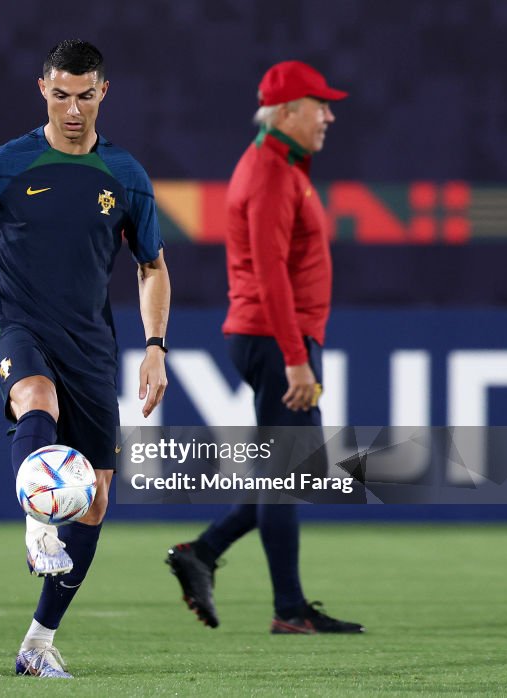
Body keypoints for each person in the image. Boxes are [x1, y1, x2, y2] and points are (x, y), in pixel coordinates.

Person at [0, 39, 171, 677]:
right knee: (34, 399)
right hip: (16, 324)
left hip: (91, 345)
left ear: (104, 93)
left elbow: (152, 266)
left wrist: (156, 347)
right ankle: (36, 522)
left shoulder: (124, 175)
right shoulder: (5, 164)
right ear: (42, 89)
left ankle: (38, 643)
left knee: (96, 502)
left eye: (85, 95)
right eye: (60, 94)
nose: (73, 109)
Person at [165, 61, 364, 634]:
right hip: (277, 338)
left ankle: (203, 552)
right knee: (290, 474)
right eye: (319, 105)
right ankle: (288, 610)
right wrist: (296, 357)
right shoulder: (273, 173)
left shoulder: (280, 166)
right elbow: (272, 273)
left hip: (274, 335)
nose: (328, 115)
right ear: (286, 112)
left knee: (292, 472)